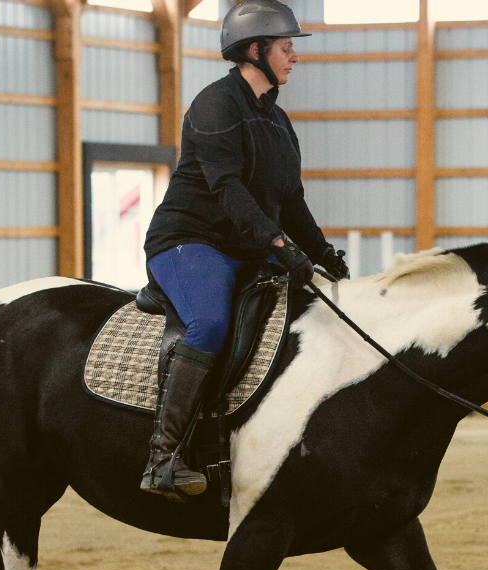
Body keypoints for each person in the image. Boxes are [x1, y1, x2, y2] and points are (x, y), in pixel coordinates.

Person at [140, 0, 349, 500]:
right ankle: (163, 457)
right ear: (254, 50)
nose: (294, 56)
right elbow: (227, 190)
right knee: (209, 323)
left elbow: (290, 200)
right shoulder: (215, 104)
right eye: (286, 47)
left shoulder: (278, 121)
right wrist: (280, 245)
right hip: (190, 241)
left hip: (248, 244)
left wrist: (321, 253)